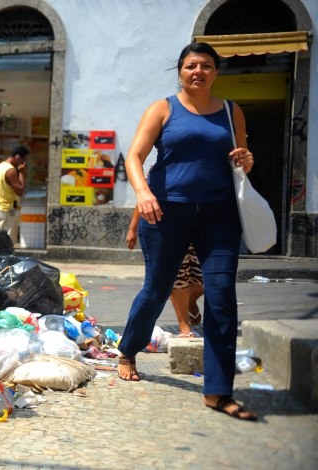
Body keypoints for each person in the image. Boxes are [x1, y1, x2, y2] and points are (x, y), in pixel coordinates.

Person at [118, 42, 256, 420]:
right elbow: (134, 156)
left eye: (207, 66)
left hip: (219, 214)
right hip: (167, 212)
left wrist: (247, 158)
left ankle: (218, 391)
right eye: (192, 65)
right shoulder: (163, 109)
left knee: (222, 296)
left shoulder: (231, 112)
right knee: (157, 290)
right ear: (180, 71)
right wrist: (143, 194)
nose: (199, 71)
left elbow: (241, 162)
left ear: (216, 73)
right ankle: (128, 349)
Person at [127, 206, 203, 338]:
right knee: (178, 276)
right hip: (169, 223)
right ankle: (184, 326)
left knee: (206, 276)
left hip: (203, 220)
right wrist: (132, 229)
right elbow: (143, 197)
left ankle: (190, 300)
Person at [0, 145, 29, 243]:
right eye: (24, 160)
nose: (24, 163)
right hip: (7, 212)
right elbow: (20, 191)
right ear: (18, 158)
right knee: (8, 245)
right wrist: (22, 172)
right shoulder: (11, 171)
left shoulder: (0, 167)